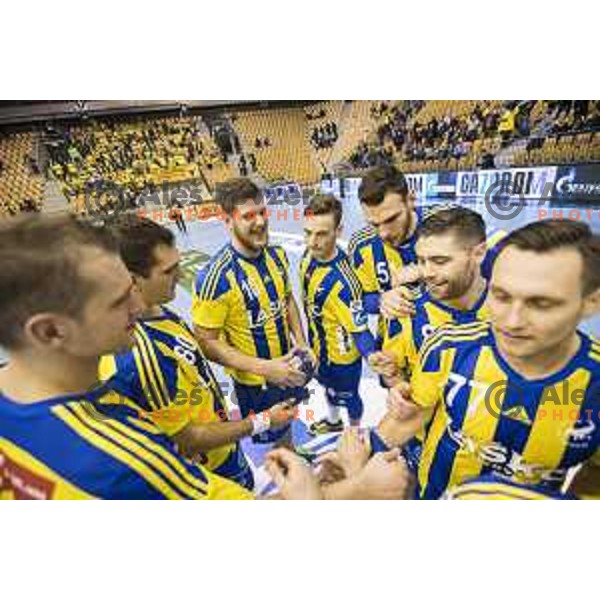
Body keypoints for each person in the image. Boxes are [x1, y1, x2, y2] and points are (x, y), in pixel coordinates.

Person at [0, 214, 252, 499]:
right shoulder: (122, 467)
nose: (137, 303)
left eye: (131, 287)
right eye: (119, 300)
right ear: (49, 331)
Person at [374, 219, 600, 499]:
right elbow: (405, 420)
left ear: (592, 301)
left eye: (541, 303)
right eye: (501, 296)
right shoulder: (448, 346)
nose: (512, 321)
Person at [99, 216, 297, 490]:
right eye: (168, 272)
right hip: (209, 472)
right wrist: (264, 420)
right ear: (131, 281)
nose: (180, 277)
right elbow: (188, 438)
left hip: (224, 446)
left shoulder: (157, 310)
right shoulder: (142, 356)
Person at [192, 178, 311, 447]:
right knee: (274, 440)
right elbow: (206, 342)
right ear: (227, 221)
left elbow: (287, 300)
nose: (260, 221)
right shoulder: (215, 278)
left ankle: (290, 452)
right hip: (256, 383)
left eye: (262, 212)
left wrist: (301, 343)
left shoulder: (277, 255)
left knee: (288, 422)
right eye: (248, 216)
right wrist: (265, 368)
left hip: (288, 367)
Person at [375, 207, 491, 386]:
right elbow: (393, 376)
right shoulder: (405, 309)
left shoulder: (512, 308)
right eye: (421, 261)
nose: (426, 273)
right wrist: (393, 378)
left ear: (479, 254)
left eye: (440, 261)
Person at [300, 194, 387, 434]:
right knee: (327, 389)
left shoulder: (345, 282)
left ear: (338, 231)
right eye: (308, 233)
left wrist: (371, 355)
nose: (312, 242)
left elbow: (359, 330)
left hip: (343, 358)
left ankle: (355, 433)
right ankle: (333, 421)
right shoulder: (307, 259)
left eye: (321, 234)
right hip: (318, 347)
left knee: (350, 398)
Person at [347, 165, 424, 330]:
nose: (383, 233)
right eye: (374, 224)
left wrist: (429, 271)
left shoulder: (446, 226)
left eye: (391, 219)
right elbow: (360, 299)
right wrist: (381, 300)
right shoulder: (360, 245)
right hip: (392, 347)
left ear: (410, 200)